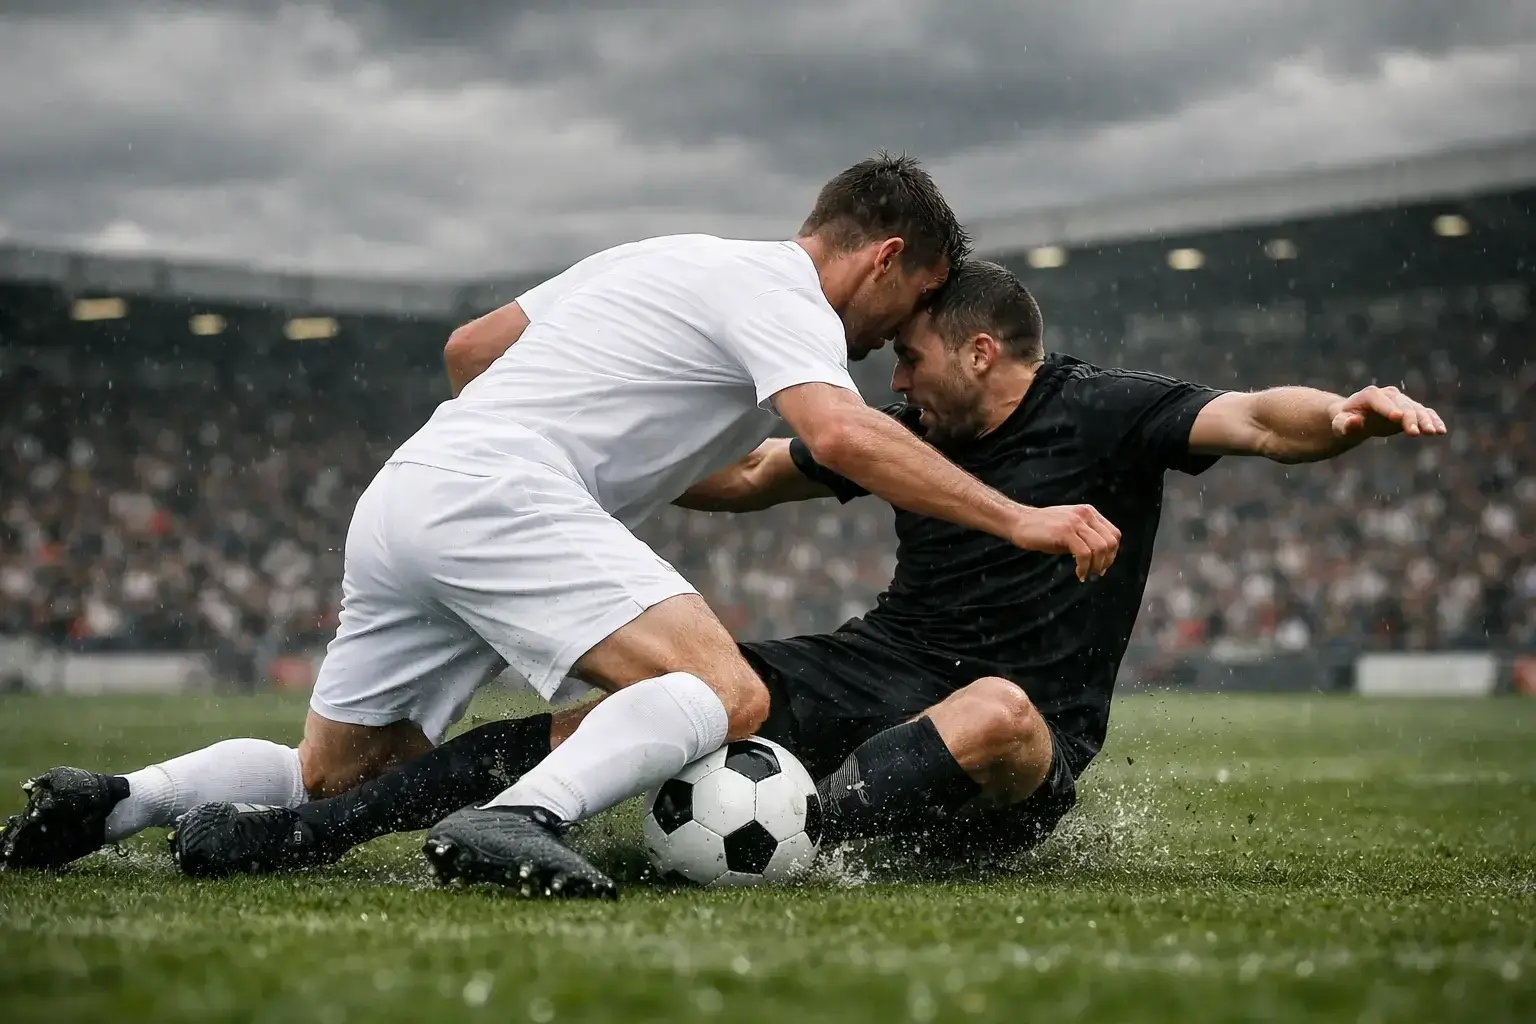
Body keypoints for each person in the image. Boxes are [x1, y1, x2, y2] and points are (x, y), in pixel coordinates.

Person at [0, 160, 1125, 899]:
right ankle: (518, 819)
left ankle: (119, 800)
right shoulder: (787, 299)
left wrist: (616, 450)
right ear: (885, 258)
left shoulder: (663, 257)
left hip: (410, 491)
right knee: (724, 692)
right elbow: (844, 432)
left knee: (337, 777)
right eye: (915, 299)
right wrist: (1018, 515)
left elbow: (468, 350)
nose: (900, 333)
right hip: (500, 490)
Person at [157, 260, 1447, 880]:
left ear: (987, 353)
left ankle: (789, 841)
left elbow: (1254, 418)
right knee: (616, 699)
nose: (895, 383)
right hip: (879, 661)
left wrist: (1339, 416)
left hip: (1015, 722)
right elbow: (758, 474)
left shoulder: (1109, 409)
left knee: (996, 714)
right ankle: (317, 827)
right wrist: (601, 461)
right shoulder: (907, 439)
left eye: (913, 364)